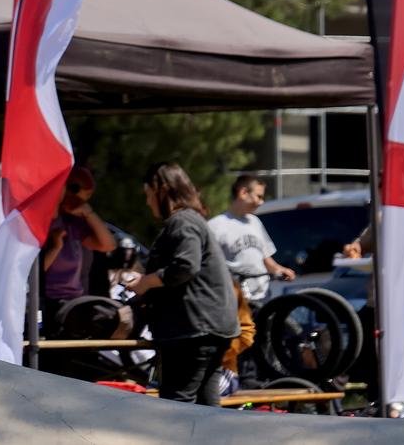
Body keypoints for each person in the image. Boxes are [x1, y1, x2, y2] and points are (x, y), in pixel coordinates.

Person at [124, 162, 240, 406]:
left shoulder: (182, 222)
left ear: (162, 190)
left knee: (177, 407)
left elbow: (186, 266)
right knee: (207, 407)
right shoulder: (192, 220)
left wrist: (145, 282)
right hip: (210, 327)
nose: (147, 202)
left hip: (194, 329)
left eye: (148, 194)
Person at [41, 165, 118, 329]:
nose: (82, 201)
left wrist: (88, 213)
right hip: (48, 304)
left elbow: (108, 244)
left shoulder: (73, 223)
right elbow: (34, 273)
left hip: (75, 301)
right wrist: (55, 247)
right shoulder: (39, 224)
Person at [207, 174, 293, 302]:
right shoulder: (215, 226)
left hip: (262, 297)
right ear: (243, 192)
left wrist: (279, 270)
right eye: (259, 196)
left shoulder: (255, 222)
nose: (261, 202)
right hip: (233, 300)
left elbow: (265, 258)